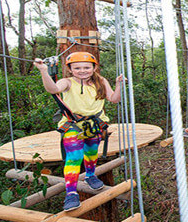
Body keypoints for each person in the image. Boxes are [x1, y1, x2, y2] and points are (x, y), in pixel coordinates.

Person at [34, 52, 125, 211]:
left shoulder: (100, 81)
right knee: (74, 157)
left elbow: (114, 99)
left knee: (91, 153)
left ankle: (90, 175)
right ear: (70, 69)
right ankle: (71, 193)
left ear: (94, 67)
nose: (82, 70)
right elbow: (53, 89)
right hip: (73, 125)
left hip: (95, 124)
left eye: (86, 67)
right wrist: (43, 71)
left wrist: (119, 85)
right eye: (77, 68)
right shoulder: (67, 82)